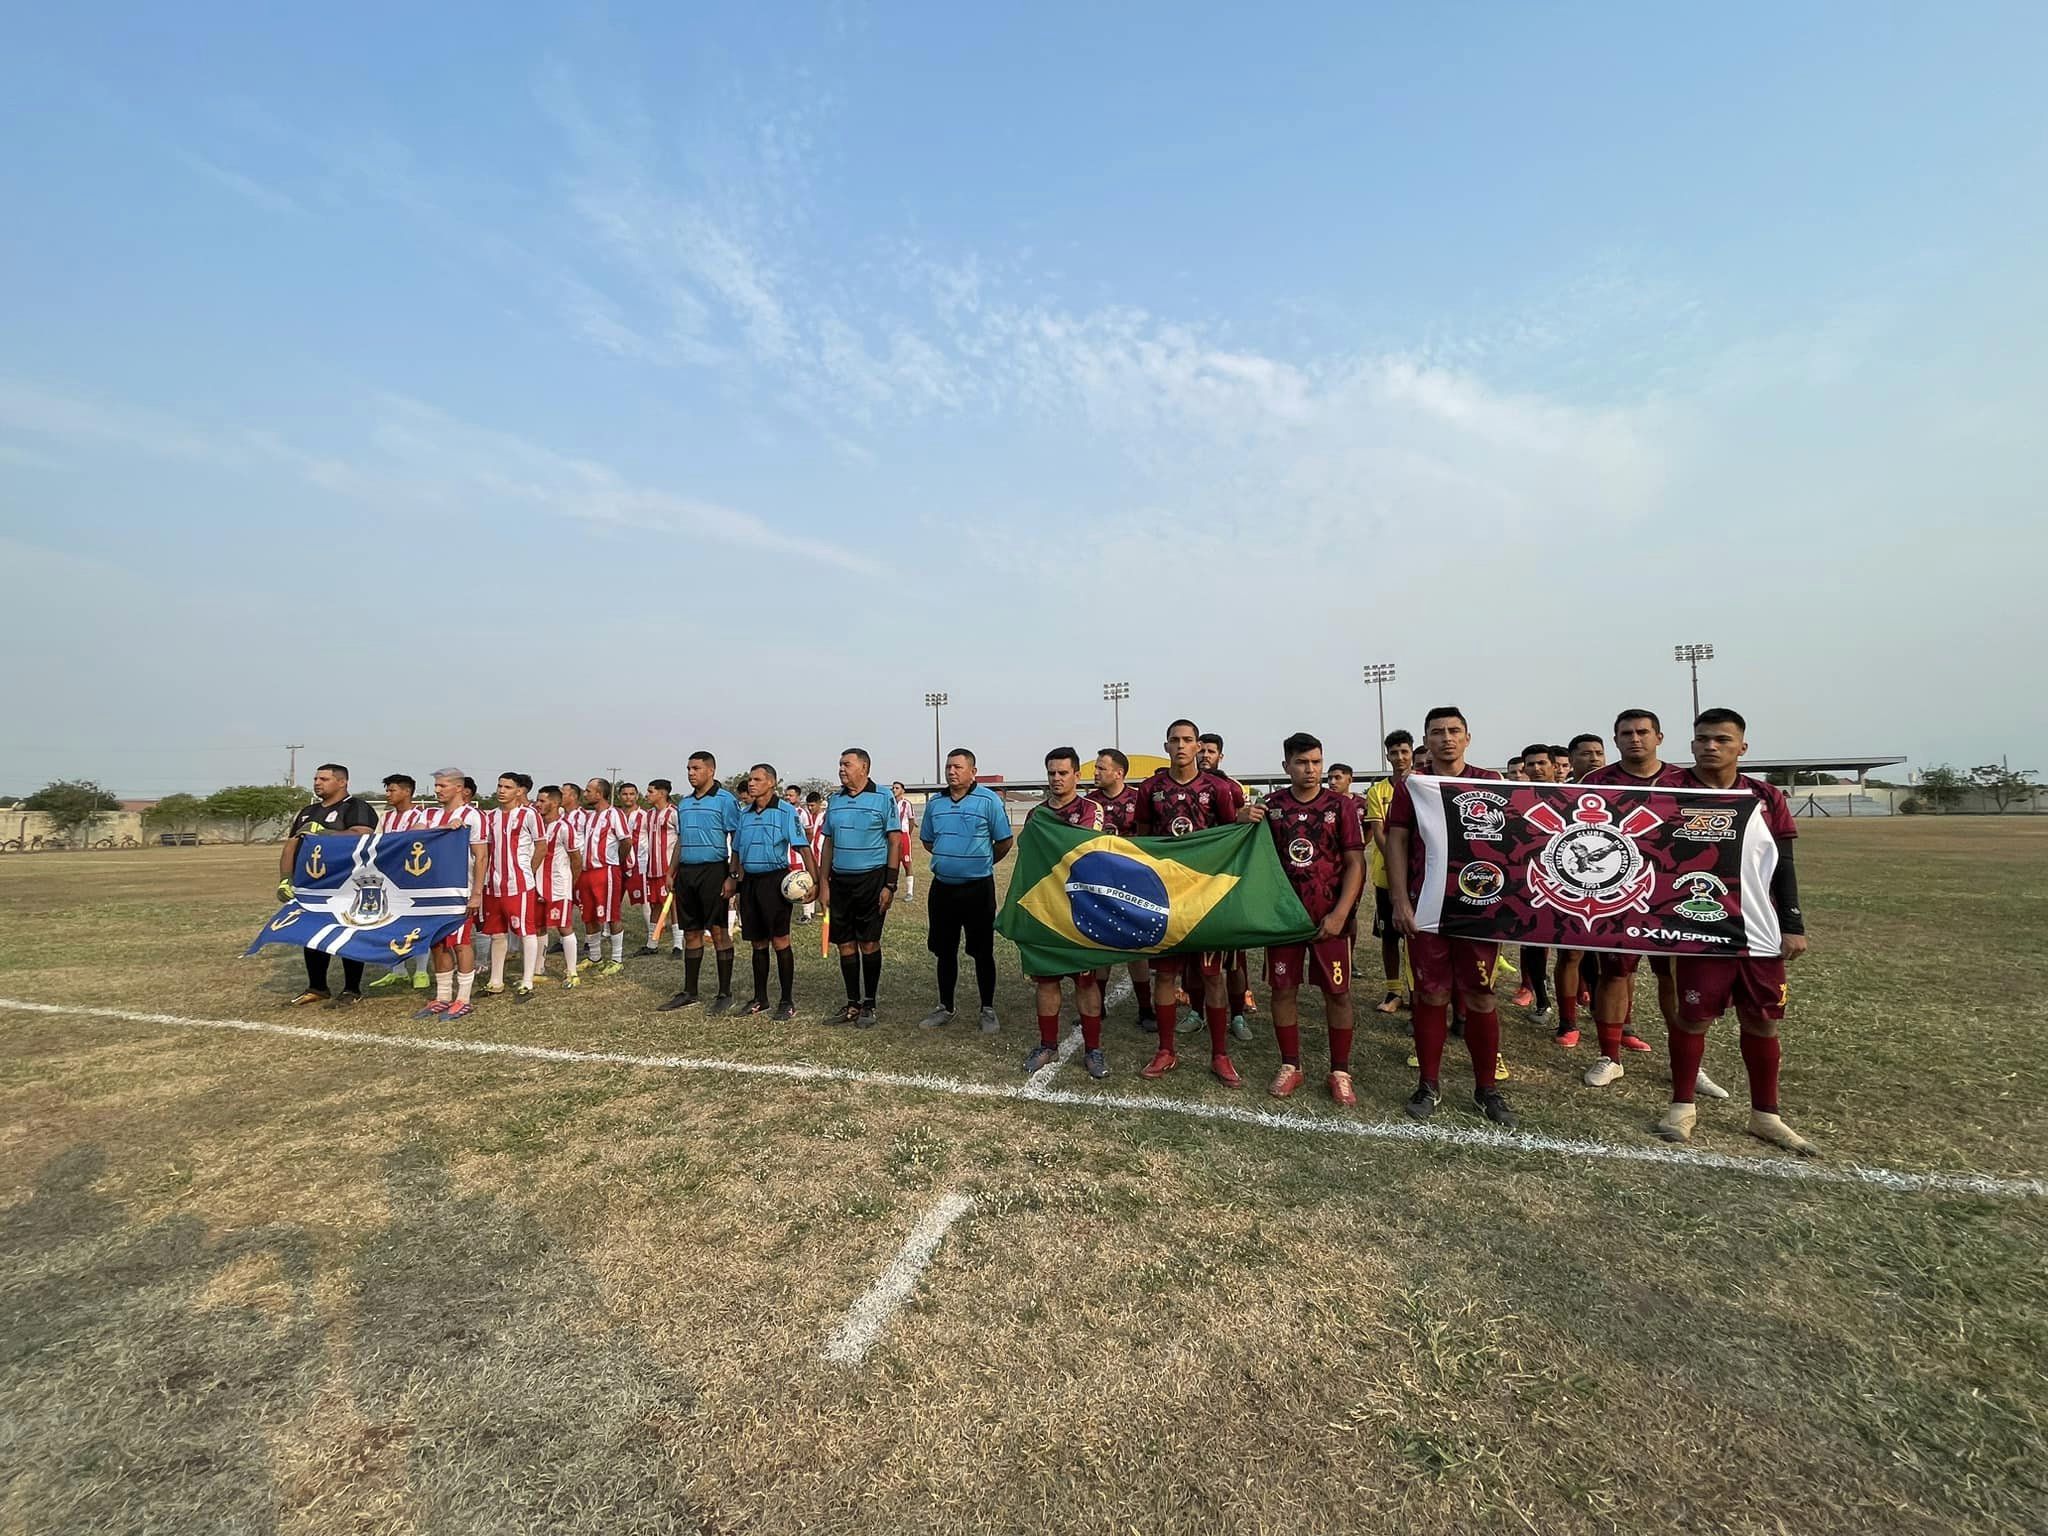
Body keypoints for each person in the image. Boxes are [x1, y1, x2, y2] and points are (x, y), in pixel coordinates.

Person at [1659, 709, 1815, 1155]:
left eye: (1722, 740)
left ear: (1742, 747)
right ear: (1691, 745)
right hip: (1696, 922)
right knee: (1693, 1017)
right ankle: (1682, 1106)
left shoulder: (1765, 795)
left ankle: (1766, 1115)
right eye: (1703, 739)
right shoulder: (1667, 792)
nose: (1711, 746)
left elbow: (1783, 863)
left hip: (1758, 924)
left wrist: (1793, 923)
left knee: (1762, 1020)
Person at [1387, 707, 1516, 1127]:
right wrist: (1401, 903)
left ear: (1468, 737)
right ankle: (1428, 1084)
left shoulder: (1489, 782)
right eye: (1437, 732)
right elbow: (1397, 841)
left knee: (1480, 995)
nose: (1446, 738)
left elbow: (1514, 843)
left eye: (1454, 731)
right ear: (1427, 739)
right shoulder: (1415, 785)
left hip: (1480, 906)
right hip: (1428, 906)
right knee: (1431, 995)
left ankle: (1486, 1089)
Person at [1133, 719, 1251, 1086]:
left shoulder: (1218, 788)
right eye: (1175, 740)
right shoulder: (1150, 789)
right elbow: (1142, 841)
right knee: (1166, 975)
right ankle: (1165, 1050)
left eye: (1188, 740)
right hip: (1166, 898)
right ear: (1166, 746)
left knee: (1212, 976)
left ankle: (1220, 1055)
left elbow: (1232, 838)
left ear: (1199, 746)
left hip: (1206, 898)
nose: (1181, 746)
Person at [1579, 710, 1686, 1087]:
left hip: (1672, 892)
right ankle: (1609, 1055)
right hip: (1618, 890)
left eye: (1643, 732)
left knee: (1672, 974)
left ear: (1659, 736)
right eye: (1626, 733)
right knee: (1614, 972)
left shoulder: (1685, 780)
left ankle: (1686, 1060)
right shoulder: (1597, 782)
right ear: (1616, 739)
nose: (1635, 739)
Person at [1262, 733, 1366, 1104]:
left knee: (1337, 993)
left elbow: (1356, 862)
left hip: (1329, 919)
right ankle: (1291, 1065)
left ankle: (1340, 1071)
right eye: (1303, 762)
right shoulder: (1270, 807)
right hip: (1284, 919)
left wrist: (1340, 913)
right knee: (1282, 990)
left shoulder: (1341, 806)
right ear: (1286, 765)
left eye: (1317, 762)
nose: (1311, 769)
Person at [1024, 748, 1110, 1079]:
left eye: (1063, 773)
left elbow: (1084, 850)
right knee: (1046, 981)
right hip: (1048, 910)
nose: (1056, 779)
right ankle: (1047, 1044)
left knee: (1086, 983)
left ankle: (1093, 1049)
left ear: (1077, 775)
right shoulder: (1035, 814)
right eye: (1051, 774)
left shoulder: (1092, 809)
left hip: (1082, 910)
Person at [918, 748, 1015, 1032]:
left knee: (982, 951)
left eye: (958, 767)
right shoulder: (936, 804)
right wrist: (951, 859)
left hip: (978, 889)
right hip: (943, 890)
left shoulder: (988, 801)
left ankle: (987, 1008)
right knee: (944, 951)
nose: (951, 771)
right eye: (948, 766)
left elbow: (1004, 841)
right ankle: (945, 1007)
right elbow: (927, 841)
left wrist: (980, 863)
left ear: (973, 771)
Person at [279, 763, 376, 1008]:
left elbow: (362, 834)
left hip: (346, 883)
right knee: (311, 934)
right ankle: (317, 987)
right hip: (311, 884)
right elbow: (292, 844)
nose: (317, 782)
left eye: (324, 778)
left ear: (342, 782)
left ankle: (352, 989)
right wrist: (285, 878)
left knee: (348, 932)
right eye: (315, 778)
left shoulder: (356, 807)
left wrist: (325, 833)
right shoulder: (307, 811)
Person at [817, 749, 901, 1026]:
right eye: (839, 764)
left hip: (872, 879)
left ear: (864, 767)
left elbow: (894, 841)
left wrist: (890, 883)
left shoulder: (883, 797)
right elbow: (828, 843)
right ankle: (852, 1003)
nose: (841, 769)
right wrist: (823, 883)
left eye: (846, 764)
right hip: (840, 881)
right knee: (845, 944)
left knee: (868, 942)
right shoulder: (835, 800)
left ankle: (870, 1004)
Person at [730, 764, 817, 1020]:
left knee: (780, 941)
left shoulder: (786, 812)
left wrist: (814, 882)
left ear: (771, 783)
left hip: (775, 882)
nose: (751, 784)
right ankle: (760, 998)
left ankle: (787, 1001)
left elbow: (803, 848)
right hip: (750, 883)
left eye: (757, 779)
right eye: (749, 780)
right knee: (757, 943)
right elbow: (736, 851)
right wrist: (734, 879)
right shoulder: (744, 814)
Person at [659, 752, 742, 1014]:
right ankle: (690, 991)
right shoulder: (683, 804)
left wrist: (733, 875)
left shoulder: (725, 800)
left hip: (713, 871)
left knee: (718, 932)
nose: (690, 773)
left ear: (711, 771)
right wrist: (671, 871)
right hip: (687, 873)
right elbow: (681, 840)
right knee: (691, 932)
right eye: (688, 768)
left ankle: (724, 993)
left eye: (696, 768)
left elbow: (737, 839)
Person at [411, 768, 488, 1020]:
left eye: (443, 785)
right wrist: (445, 829)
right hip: (431, 890)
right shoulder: (430, 814)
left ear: (458, 788)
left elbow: (481, 857)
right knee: (437, 943)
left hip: (459, 890)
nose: (437, 790)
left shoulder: (473, 816)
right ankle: (443, 996)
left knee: (460, 942)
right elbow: (413, 835)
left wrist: (476, 893)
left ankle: (463, 998)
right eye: (436, 785)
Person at [1087, 748, 1155, 1033]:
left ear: (1119, 772)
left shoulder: (1138, 799)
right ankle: (1097, 1005)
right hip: (1100, 884)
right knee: (1101, 945)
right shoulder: (1090, 803)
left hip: (1132, 884)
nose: (1096, 773)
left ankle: (1145, 1008)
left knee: (1135, 947)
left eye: (1102, 768)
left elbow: (1150, 837)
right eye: (1096, 768)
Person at [1199, 731, 1257, 1039]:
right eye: (1202, 750)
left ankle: (1237, 1014)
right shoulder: (1180, 785)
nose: (1204, 755)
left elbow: (1242, 827)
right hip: (1193, 882)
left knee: (1234, 956)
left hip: (1225, 880)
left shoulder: (1231, 787)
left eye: (1211, 751)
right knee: (1193, 955)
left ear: (1221, 755)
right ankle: (1197, 1010)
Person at [1363, 729, 1415, 1017]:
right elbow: (1380, 834)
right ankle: (1394, 991)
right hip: (1386, 877)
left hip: (1419, 876)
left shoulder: (1422, 785)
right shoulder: (1377, 791)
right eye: (1394, 753)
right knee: (1390, 937)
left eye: (1404, 751)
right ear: (1387, 756)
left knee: (1417, 938)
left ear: (1412, 752)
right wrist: (1397, 861)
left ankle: (1416, 991)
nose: (1399, 757)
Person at [480, 772, 544, 1001]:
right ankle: (495, 981)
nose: (501, 790)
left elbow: (541, 846)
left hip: (520, 885)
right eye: (499, 785)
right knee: (497, 934)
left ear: (519, 791)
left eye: (507, 787)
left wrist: (529, 871)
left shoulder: (529, 815)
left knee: (526, 931)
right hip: (494, 885)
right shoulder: (490, 816)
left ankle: (527, 981)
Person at [368, 773, 433, 992]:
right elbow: (377, 843)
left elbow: (421, 837)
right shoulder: (386, 817)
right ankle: (397, 971)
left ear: (406, 792)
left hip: (416, 879)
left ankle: (422, 971)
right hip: (390, 878)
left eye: (392, 790)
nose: (388, 794)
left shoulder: (421, 815)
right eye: (387, 790)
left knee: (418, 925)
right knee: (390, 923)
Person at [1511, 741, 1557, 1019]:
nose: (1536, 768)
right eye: (1531, 764)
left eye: (1542, 763)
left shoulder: (1574, 795)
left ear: (1554, 765)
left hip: (1569, 882)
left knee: (1574, 952)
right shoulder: (1518, 799)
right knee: (1533, 943)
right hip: (1532, 882)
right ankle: (1541, 997)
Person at [572, 777, 632, 975]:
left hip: (606, 871)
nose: (585, 794)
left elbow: (626, 842)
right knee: (588, 916)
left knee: (611, 915)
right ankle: (595, 957)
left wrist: (616, 862)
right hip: (587, 873)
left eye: (589, 791)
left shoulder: (614, 814)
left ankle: (617, 958)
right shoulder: (590, 817)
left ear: (599, 794)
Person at [533, 784, 581, 989]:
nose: (538, 804)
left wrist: (571, 884)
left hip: (558, 885)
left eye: (542, 801)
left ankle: (572, 972)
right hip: (536, 885)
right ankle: (538, 968)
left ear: (554, 803)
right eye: (538, 800)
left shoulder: (564, 827)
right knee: (538, 927)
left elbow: (576, 859)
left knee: (563, 927)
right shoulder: (535, 825)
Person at [632, 779, 681, 959]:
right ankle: (652, 944)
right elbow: (643, 841)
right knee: (655, 904)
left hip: (669, 868)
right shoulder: (648, 815)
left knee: (673, 904)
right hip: (653, 868)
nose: (647, 794)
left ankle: (677, 945)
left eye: (651, 791)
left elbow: (681, 840)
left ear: (662, 793)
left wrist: (676, 867)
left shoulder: (674, 813)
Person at [891, 780, 918, 901]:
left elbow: (911, 820)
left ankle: (909, 892)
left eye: (897, 788)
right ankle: (891, 889)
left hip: (903, 835)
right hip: (892, 836)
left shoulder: (906, 804)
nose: (894, 790)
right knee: (892, 863)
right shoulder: (890, 803)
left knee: (907, 863)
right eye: (893, 788)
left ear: (903, 790)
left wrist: (908, 834)